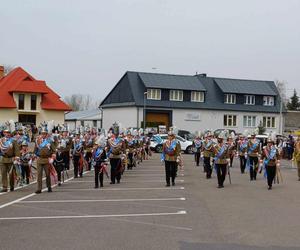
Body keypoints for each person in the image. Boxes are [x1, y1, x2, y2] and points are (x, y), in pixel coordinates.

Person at [34, 126, 56, 194]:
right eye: (42, 133)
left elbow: (53, 150)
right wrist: (34, 156)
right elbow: (35, 150)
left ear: (46, 134)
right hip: (40, 159)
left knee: (47, 174)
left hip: (47, 159)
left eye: (44, 134)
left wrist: (52, 158)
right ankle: (39, 188)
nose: (43, 135)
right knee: (39, 175)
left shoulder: (50, 141)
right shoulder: (38, 141)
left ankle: (49, 186)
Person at [0, 122, 20, 192]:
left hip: (11, 159)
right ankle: (4, 187)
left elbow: (17, 149)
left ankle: (12, 186)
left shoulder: (13, 141)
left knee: (11, 174)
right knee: (3, 173)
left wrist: (17, 157)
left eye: (8, 132)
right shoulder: (1, 140)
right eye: (6, 132)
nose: (7, 134)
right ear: (4, 133)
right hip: (3, 159)